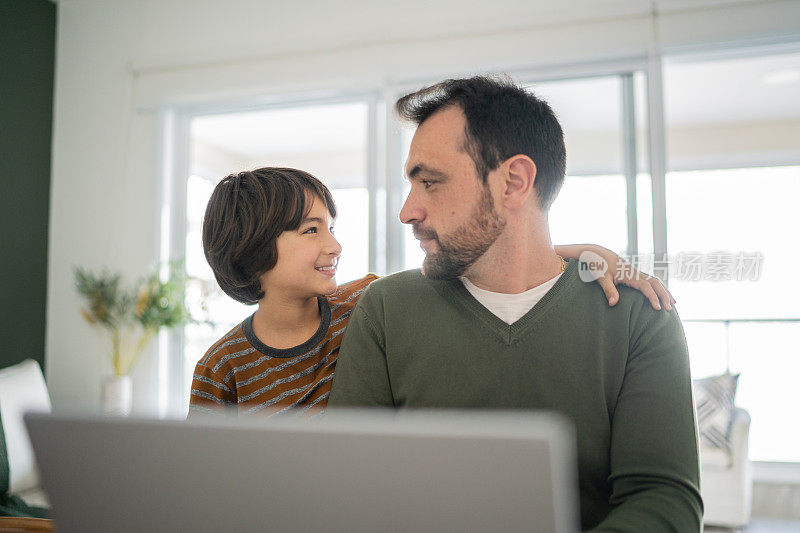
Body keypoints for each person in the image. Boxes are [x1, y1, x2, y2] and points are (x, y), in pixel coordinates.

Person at [328, 76, 702, 531]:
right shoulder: (386, 309)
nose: (407, 211)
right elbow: (351, 488)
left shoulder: (637, 314)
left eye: (431, 182)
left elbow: (664, 500)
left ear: (514, 182)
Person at [189, 167, 672, 417]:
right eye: (311, 231)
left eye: (331, 227)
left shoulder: (367, 303)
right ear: (253, 249)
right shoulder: (220, 368)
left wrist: (584, 251)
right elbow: (206, 483)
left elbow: (472, 259)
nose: (334, 244)